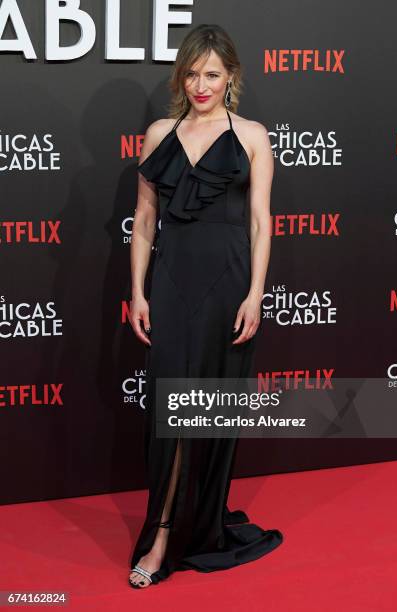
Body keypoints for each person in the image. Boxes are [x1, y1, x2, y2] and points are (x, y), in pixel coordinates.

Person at [128, 24, 283, 589]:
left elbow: (262, 223)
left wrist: (256, 294)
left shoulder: (252, 136)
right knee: (170, 412)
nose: (201, 84)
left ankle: (199, 523)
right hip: (171, 283)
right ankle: (163, 531)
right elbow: (144, 223)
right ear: (181, 76)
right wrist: (139, 292)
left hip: (228, 283)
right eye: (192, 73)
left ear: (231, 77)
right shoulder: (158, 133)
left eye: (212, 74)